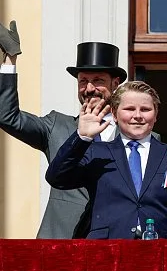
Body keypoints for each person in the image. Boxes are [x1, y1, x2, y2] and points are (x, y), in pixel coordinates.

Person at [0, 20, 130, 238]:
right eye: (83, 81)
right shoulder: (56, 126)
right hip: (59, 243)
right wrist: (10, 61)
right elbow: (7, 117)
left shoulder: (138, 135)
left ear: (115, 84)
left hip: (113, 246)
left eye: (98, 80)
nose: (89, 89)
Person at [45, 81, 167, 239]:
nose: (138, 116)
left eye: (145, 109)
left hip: (160, 252)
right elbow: (57, 178)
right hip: (106, 252)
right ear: (114, 114)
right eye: (129, 109)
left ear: (156, 115)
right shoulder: (97, 152)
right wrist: (82, 137)